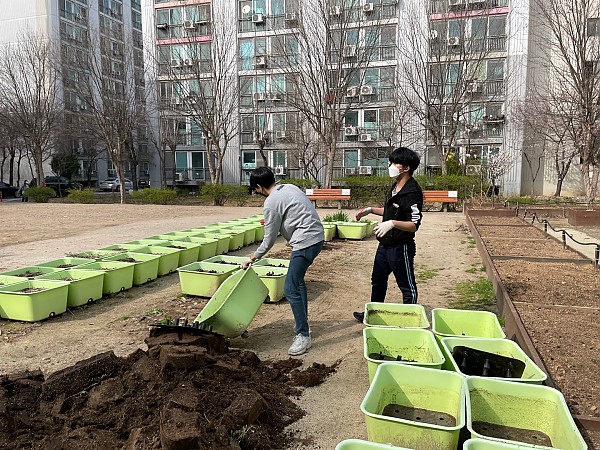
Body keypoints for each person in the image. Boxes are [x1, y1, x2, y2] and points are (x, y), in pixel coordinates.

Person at [242, 167, 324, 356]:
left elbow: (269, 239)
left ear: (259, 186)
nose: (256, 193)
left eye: (255, 190)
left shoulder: (271, 202)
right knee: (298, 283)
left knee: (289, 288)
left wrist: (253, 257)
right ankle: (305, 327)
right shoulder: (289, 187)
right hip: (316, 237)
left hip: (305, 242)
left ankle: (303, 335)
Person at [353, 147, 424, 322]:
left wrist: (392, 224)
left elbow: (413, 224)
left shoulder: (412, 192)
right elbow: (391, 211)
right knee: (377, 280)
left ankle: (411, 318)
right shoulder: (395, 187)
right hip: (384, 246)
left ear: (406, 168)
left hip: (401, 248)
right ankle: (374, 313)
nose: (390, 166)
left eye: (394, 163)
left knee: (407, 286)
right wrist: (370, 210)